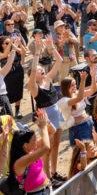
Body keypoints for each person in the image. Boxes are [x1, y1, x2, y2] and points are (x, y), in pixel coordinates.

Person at [28, 44, 65, 183]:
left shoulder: (48, 79)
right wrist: (37, 52)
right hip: (46, 119)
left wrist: (51, 47)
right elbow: (32, 71)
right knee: (47, 150)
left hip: (58, 115)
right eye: (38, 70)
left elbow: (59, 60)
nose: (41, 70)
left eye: (41, 68)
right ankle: (48, 177)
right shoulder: (34, 87)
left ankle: (54, 172)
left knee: (56, 145)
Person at [8, 110, 51, 194]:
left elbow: (52, 132)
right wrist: (43, 127)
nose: (36, 142)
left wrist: (46, 121)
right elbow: (46, 147)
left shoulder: (29, 151)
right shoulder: (21, 162)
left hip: (46, 189)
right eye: (34, 140)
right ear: (25, 145)